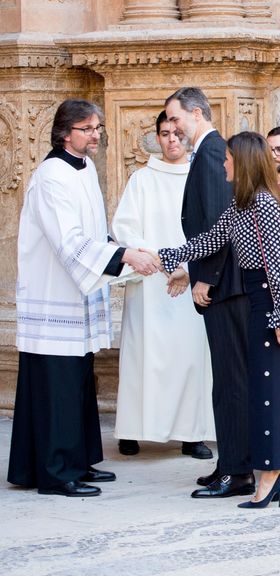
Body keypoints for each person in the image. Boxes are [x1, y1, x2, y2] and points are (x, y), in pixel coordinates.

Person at [9, 99, 161, 497]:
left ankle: (78, 460)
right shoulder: (51, 176)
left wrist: (116, 246)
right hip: (54, 294)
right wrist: (124, 256)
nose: (96, 134)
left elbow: (92, 230)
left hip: (78, 296)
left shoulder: (85, 168)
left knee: (78, 383)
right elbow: (69, 242)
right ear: (64, 133)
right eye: (88, 128)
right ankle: (56, 473)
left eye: (97, 127)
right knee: (56, 388)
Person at [158, 131, 280, 509]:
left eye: (228, 158)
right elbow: (209, 241)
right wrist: (166, 257)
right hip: (258, 301)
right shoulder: (242, 205)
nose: (223, 163)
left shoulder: (265, 204)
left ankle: (270, 474)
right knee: (261, 388)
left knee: (267, 393)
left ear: (244, 162)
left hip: (270, 303)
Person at [111, 111, 215, 460]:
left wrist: (186, 267)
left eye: (176, 132)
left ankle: (190, 433)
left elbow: (210, 228)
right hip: (150, 280)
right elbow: (125, 227)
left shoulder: (201, 176)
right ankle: (133, 430)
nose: (172, 139)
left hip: (188, 280)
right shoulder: (142, 179)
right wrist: (159, 262)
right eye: (164, 133)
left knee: (189, 356)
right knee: (143, 355)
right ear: (156, 137)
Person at [165, 87, 252, 498]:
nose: (173, 127)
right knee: (227, 381)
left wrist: (208, 277)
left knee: (231, 382)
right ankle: (230, 464)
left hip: (227, 287)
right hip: (225, 283)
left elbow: (221, 223)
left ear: (197, 114)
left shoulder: (214, 151)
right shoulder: (211, 151)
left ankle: (237, 472)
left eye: (176, 118)